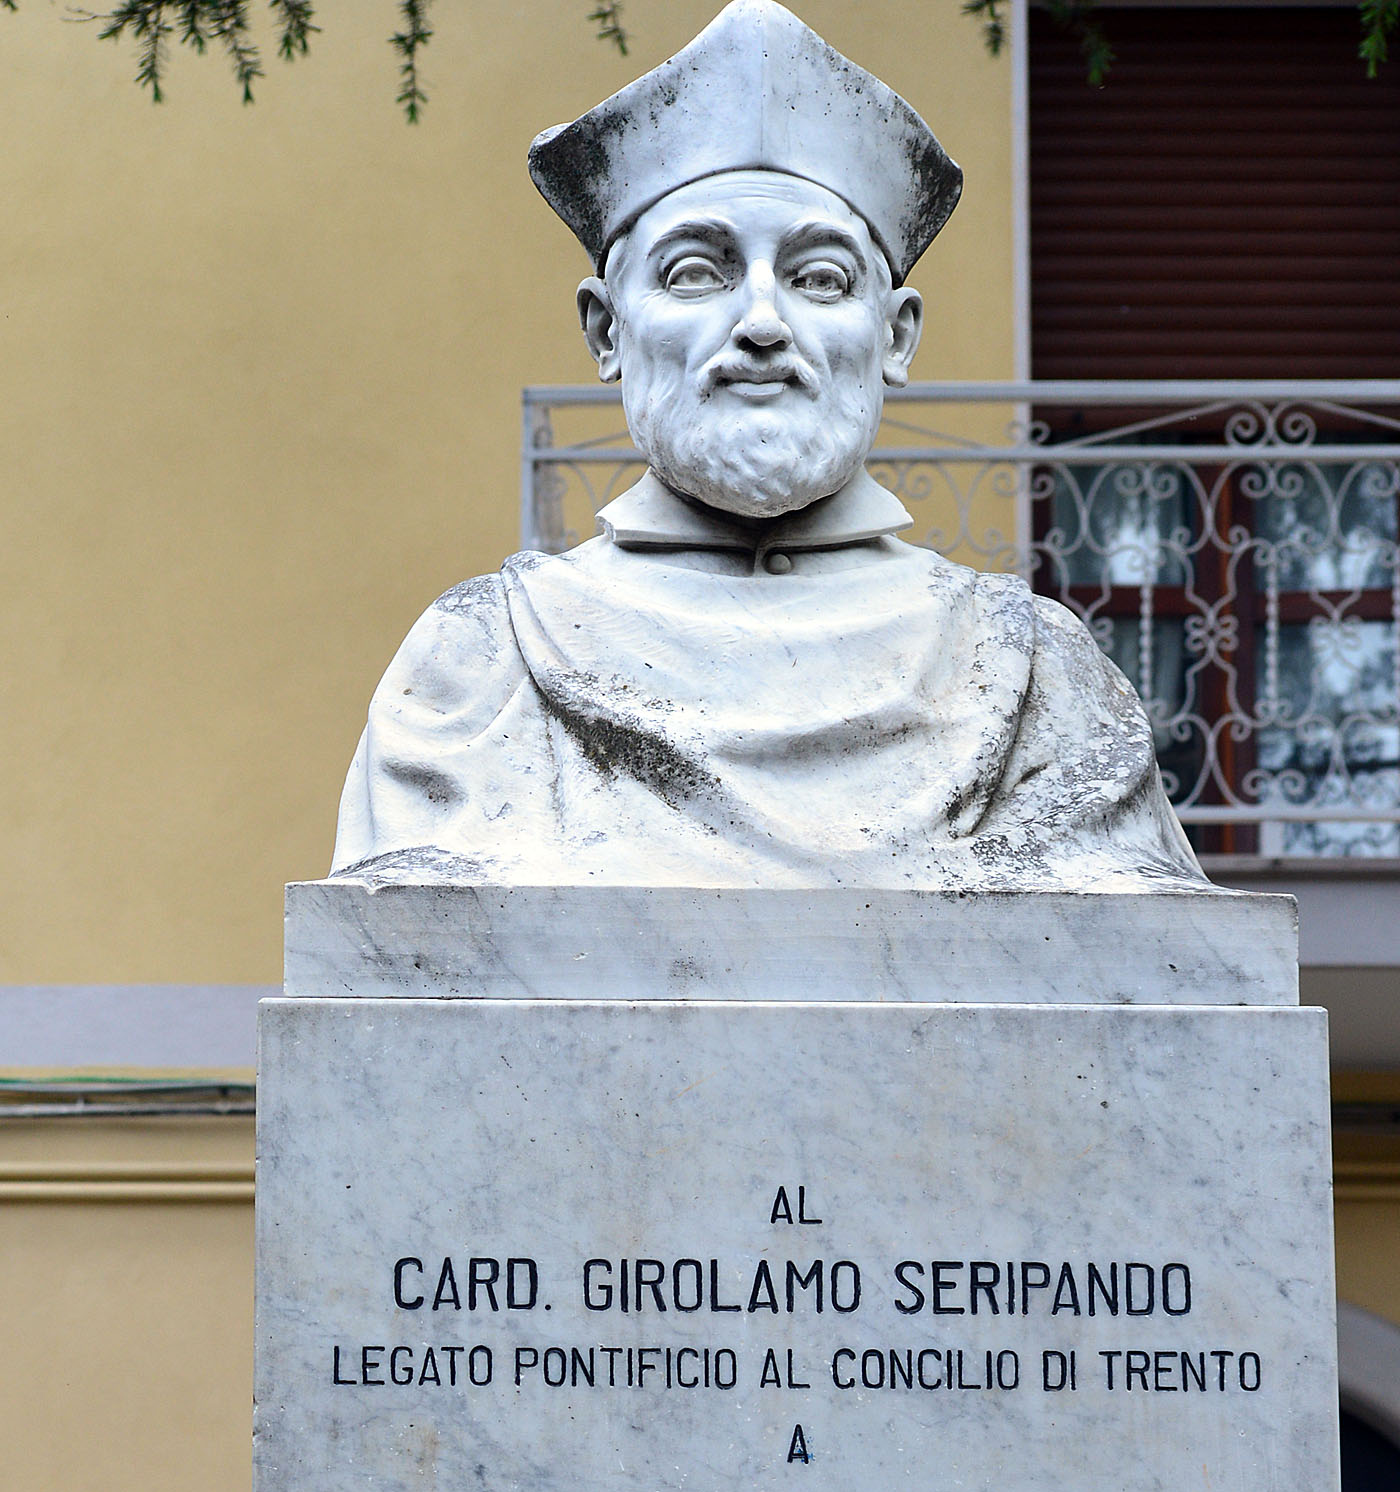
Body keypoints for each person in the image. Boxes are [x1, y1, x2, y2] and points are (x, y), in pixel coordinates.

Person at [332, 0, 1201, 891]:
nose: (760, 324)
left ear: (895, 336)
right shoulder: (479, 667)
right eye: (694, 274)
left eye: (819, 279)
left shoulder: (1035, 677)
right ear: (606, 329)